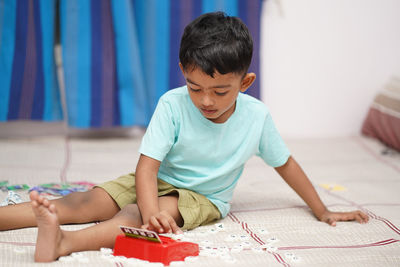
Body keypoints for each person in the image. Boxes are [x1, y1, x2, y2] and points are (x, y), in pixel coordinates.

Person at [0, 12, 369, 262]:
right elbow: (146, 168)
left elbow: (285, 164)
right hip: (157, 179)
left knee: (135, 215)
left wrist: (322, 210)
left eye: (220, 91)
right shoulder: (172, 104)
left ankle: (64, 243)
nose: (206, 101)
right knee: (87, 201)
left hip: (202, 197)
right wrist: (150, 206)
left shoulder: (257, 118)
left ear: (245, 82)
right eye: (195, 87)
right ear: (183, 72)